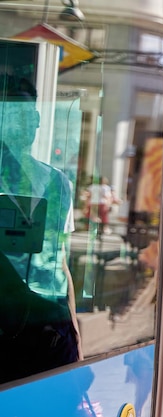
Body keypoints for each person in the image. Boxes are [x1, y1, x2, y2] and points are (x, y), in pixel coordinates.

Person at [0, 74, 81, 383]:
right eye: (13, 115)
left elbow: (60, 261)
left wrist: (73, 329)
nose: (24, 125)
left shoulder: (58, 182)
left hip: (48, 327)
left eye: (28, 115)